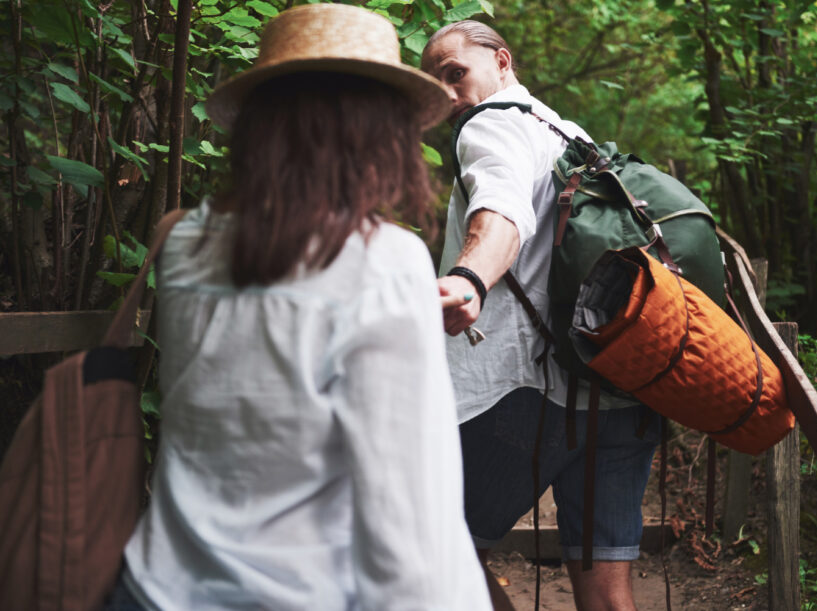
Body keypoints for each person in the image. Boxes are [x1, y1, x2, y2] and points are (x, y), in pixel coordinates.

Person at [104, 5, 491, 610]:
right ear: (379, 129)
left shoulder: (182, 240)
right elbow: (413, 526)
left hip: (155, 586)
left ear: (259, 124)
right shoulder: (383, 262)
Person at [422, 21, 662, 611]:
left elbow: (500, 209)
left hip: (526, 397)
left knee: (433, 553)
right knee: (608, 593)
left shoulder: (491, 124)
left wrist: (470, 277)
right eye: (436, 84)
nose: (450, 94)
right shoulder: (569, 134)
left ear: (502, 62)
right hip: (619, 394)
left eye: (457, 74)